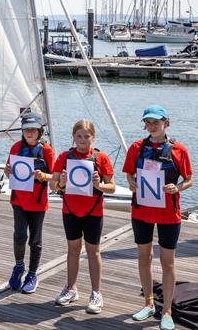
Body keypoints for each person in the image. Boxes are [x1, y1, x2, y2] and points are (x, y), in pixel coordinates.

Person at [123, 105, 193, 330]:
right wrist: (131, 183)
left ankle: (167, 311)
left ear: (166, 122)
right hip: (141, 211)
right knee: (144, 257)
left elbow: (189, 180)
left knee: (168, 262)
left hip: (168, 214)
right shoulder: (136, 147)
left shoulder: (179, 149)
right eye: (148, 122)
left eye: (155, 122)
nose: (151, 126)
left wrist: (177, 188)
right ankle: (149, 304)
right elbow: (129, 174)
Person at [50, 119, 116, 315]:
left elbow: (111, 187)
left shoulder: (101, 158)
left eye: (86, 136)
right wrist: (61, 181)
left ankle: (96, 293)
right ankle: (71, 288)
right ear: (73, 137)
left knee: (93, 251)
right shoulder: (64, 157)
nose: (82, 140)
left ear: (92, 137)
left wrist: (99, 186)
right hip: (70, 210)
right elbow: (53, 186)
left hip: (93, 212)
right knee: (72, 249)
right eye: (79, 136)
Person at [3, 111, 55, 294]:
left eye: (33, 129)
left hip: (38, 203)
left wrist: (44, 176)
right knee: (19, 236)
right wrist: (7, 170)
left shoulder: (46, 150)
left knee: (35, 240)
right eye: (26, 130)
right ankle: (18, 267)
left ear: (40, 131)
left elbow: (54, 178)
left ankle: (32, 274)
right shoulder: (16, 147)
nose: (29, 133)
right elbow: (8, 171)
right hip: (18, 201)